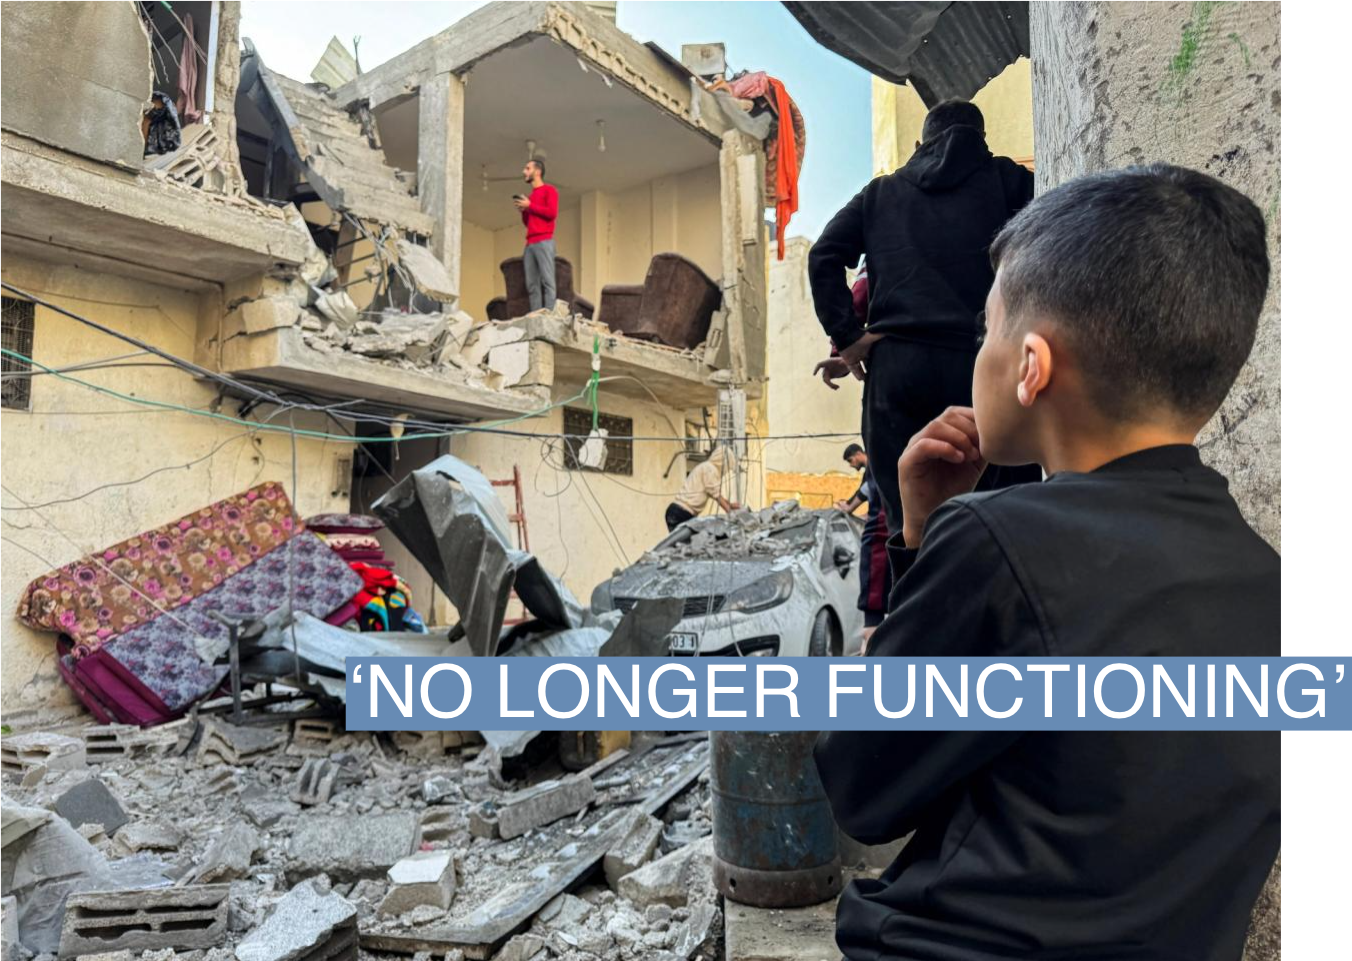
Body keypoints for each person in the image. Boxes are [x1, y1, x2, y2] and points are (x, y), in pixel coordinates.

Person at [814, 164, 1280, 960]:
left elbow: (863, 788)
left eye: (986, 331)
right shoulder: (1262, 580)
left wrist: (923, 534)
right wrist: (927, 531)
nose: (979, 353)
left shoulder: (1001, 542)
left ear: (1031, 366)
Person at [809, 100, 1041, 536]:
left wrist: (848, 336)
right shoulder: (1008, 180)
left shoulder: (880, 193)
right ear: (982, 143)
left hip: (899, 372)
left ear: (919, 144)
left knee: (912, 526)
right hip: (983, 367)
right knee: (1007, 523)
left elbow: (824, 255)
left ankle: (923, 598)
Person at [833, 444, 891, 642]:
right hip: (896, 527)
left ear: (858, 454)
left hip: (884, 532)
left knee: (874, 586)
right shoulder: (878, 467)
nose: (851, 465)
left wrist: (848, 507)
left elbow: (866, 491)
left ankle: (872, 640)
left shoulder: (877, 465)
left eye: (851, 461)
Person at [513, 158, 558, 311]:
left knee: (548, 282)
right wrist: (524, 210)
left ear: (537, 171)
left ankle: (550, 316)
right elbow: (528, 223)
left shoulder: (549, 190)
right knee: (532, 285)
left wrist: (530, 206)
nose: (524, 172)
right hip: (530, 244)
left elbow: (552, 213)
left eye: (527, 168)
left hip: (544, 241)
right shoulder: (530, 198)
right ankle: (536, 317)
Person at [665, 446, 741, 531]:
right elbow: (716, 495)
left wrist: (730, 505)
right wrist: (731, 513)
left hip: (678, 512)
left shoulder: (706, 467)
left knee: (683, 542)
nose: (726, 471)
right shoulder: (710, 469)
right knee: (686, 542)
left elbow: (715, 493)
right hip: (681, 513)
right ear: (723, 462)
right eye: (728, 467)